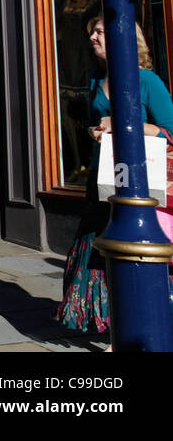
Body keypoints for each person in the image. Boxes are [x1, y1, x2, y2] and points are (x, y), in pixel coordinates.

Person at [56, 18, 173, 335]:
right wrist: (98, 129)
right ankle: (105, 322)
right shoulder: (96, 79)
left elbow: (170, 132)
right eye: (91, 31)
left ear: (122, 39)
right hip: (101, 177)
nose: (92, 36)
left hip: (137, 181)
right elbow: (99, 123)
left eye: (100, 32)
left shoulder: (146, 81)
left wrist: (120, 123)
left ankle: (129, 329)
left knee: (127, 253)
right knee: (97, 250)